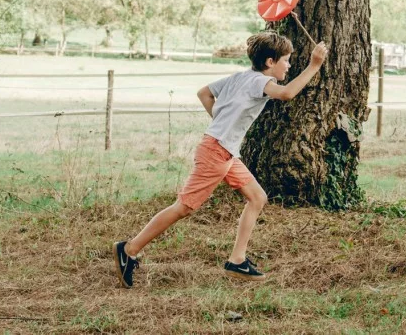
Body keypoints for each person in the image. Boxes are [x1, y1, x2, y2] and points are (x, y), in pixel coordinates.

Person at [113, 31, 328, 288]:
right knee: (184, 207)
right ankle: (129, 249)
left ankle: (237, 260)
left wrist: (221, 121)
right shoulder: (259, 81)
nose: (289, 65)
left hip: (224, 150)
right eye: (286, 60)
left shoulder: (239, 77)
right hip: (216, 151)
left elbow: (204, 93)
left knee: (257, 198)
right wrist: (314, 65)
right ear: (270, 62)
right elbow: (287, 94)